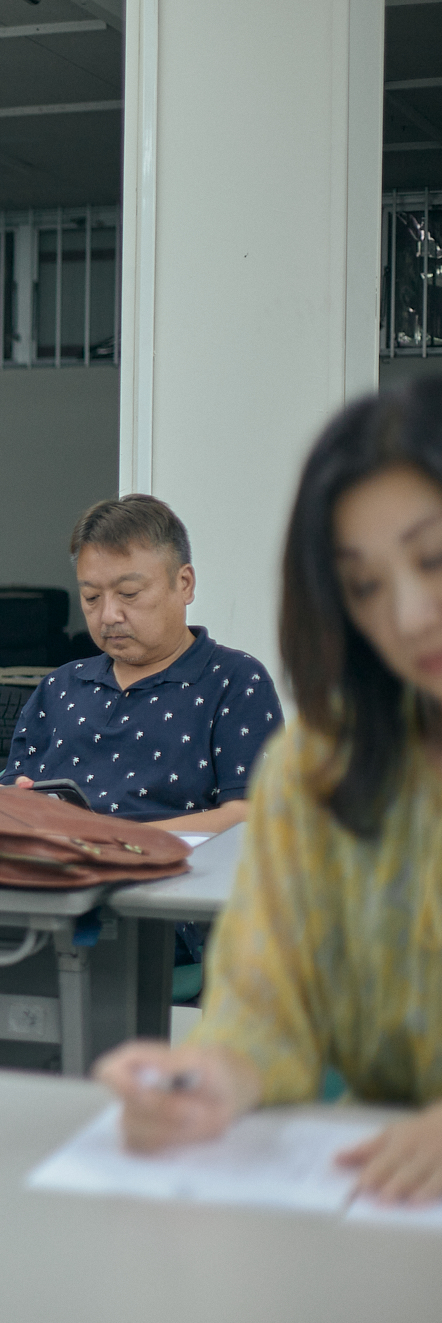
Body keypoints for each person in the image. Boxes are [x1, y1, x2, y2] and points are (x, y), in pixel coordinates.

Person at [95, 376, 442, 1205]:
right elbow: (266, 1001)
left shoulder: (227, 684)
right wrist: (212, 1075)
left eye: (433, 560)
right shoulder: (316, 773)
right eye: (363, 585)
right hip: (384, 1201)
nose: (409, 612)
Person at [0, 494, 283, 835]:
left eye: (128, 593)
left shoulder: (235, 682)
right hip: (60, 877)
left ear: (184, 584)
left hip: (176, 879)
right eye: (92, 598)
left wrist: (118, 839)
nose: (109, 615)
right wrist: (9, 804)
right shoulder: (59, 689)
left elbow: (251, 815)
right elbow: (15, 796)